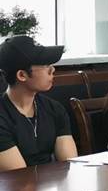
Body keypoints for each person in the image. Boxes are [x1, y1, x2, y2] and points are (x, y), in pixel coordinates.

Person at [0, 35, 78, 171]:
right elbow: (19, 176)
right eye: (45, 65)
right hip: (17, 183)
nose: (52, 70)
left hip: (51, 182)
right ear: (22, 75)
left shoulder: (55, 109)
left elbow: (69, 165)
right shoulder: (3, 116)